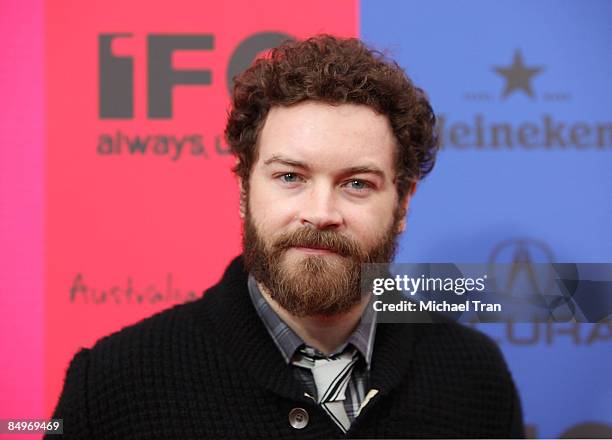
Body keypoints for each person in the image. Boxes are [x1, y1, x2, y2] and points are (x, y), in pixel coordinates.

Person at [48, 35, 525, 439]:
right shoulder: (113, 382)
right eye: (291, 177)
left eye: (357, 183)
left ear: (403, 205)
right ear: (244, 191)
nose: (320, 214)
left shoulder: (475, 378)